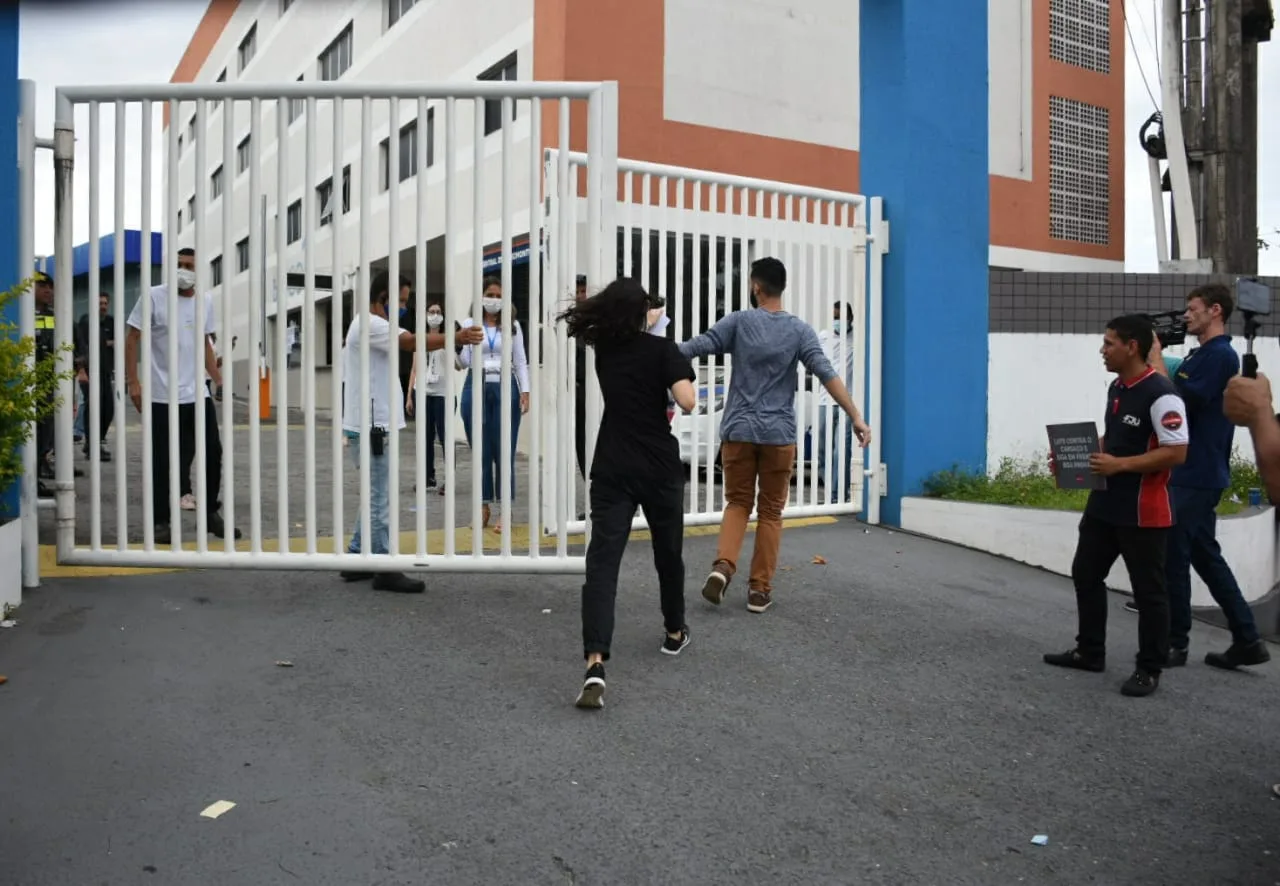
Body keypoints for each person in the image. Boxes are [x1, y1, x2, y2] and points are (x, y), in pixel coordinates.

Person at [678, 257, 871, 614]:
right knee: (770, 511)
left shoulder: (739, 321)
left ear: (756, 287)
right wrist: (856, 416)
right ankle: (758, 590)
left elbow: (698, 345)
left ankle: (723, 567)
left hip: (738, 429)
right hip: (779, 434)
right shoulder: (799, 331)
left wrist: (654, 353)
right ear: (782, 288)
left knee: (737, 503)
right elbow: (827, 373)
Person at [557, 278, 697, 709]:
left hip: (612, 464)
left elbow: (625, 343)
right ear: (644, 313)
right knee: (667, 552)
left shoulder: (605, 351)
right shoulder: (663, 350)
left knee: (602, 563)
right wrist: (661, 338)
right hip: (658, 466)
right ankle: (675, 631)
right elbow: (688, 401)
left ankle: (595, 661)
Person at [1119, 285, 1270, 670]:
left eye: (1192, 309)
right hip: (1199, 471)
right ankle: (1247, 638)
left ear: (1215, 311)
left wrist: (1153, 361)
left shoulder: (1220, 355)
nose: (1186, 316)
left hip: (1195, 471)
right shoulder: (1203, 354)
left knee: (1174, 555)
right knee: (1206, 557)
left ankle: (1176, 642)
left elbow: (1181, 401)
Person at [1043, 315, 1189, 697]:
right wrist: (1076, 458)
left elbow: (1176, 452)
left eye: (1109, 343)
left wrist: (1120, 465)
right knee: (1085, 574)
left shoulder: (1163, 395)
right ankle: (1090, 652)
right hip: (1105, 503)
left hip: (1144, 510)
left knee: (1149, 592)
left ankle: (1149, 669)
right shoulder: (1117, 387)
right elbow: (1115, 438)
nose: (1102, 350)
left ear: (1132, 347)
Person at [338, 271, 484, 592]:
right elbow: (409, 342)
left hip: (373, 424)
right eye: (401, 301)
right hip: (372, 426)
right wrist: (454, 338)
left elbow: (406, 336)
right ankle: (385, 567)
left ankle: (354, 557)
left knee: (376, 492)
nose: (404, 307)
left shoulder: (373, 325)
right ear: (382, 297)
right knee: (381, 496)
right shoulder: (370, 325)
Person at [125, 248, 238, 543]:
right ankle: (161, 521)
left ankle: (211, 512)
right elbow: (132, 337)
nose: (183, 270)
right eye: (178, 265)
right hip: (162, 395)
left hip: (196, 394)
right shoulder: (154, 296)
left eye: (188, 265)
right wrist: (133, 382)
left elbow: (204, 344)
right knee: (162, 459)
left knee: (213, 452)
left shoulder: (205, 301)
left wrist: (219, 379)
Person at [458, 276, 531, 531]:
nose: (494, 300)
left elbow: (520, 360)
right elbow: (464, 362)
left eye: (499, 295)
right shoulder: (470, 324)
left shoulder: (512, 326)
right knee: (480, 450)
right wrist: (458, 345)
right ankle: (483, 506)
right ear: (480, 297)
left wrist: (526, 390)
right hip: (475, 382)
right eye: (490, 294)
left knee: (504, 449)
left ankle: (506, 510)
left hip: (505, 383)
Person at [405, 299, 462, 493]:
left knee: (445, 438)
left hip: (443, 395)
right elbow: (414, 369)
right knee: (425, 438)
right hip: (423, 393)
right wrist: (409, 396)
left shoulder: (448, 339)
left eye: (438, 311)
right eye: (431, 311)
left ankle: (450, 480)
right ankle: (428, 477)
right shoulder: (419, 339)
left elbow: (458, 365)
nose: (434, 315)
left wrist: (450, 344)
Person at [816, 299, 857, 503]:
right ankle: (831, 488)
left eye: (840, 317)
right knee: (823, 451)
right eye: (834, 317)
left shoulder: (857, 339)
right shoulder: (823, 337)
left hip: (846, 403)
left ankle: (837, 495)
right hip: (824, 400)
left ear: (850, 318)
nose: (836, 321)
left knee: (841, 450)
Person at [74, 292, 116, 463]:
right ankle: (92, 445)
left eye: (105, 303)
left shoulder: (110, 321)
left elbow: (116, 342)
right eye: (100, 303)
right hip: (90, 372)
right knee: (94, 408)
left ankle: (95, 441)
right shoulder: (85, 322)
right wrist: (82, 370)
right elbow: (81, 347)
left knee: (108, 409)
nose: (103, 306)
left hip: (106, 371)